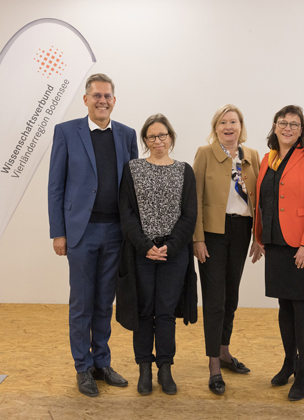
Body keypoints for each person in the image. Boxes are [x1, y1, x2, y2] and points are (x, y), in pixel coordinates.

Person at [47, 73, 138, 397]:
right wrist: (58, 233)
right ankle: (82, 367)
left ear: (114, 100)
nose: (102, 101)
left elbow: (132, 187)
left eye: (107, 96)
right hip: (80, 234)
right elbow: (56, 185)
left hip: (115, 233)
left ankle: (102, 362)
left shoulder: (127, 135)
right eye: (96, 95)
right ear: (86, 99)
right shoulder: (66, 132)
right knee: (82, 303)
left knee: (104, 303)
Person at [116, 113, 197, 396]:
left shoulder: (185, 170)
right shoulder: (133, 169)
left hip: (173, 254)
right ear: (145, 141)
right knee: (143, 311)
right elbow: (125, 213)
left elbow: (190, 215)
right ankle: (144, 368)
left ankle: (165, 366)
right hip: (141, 252)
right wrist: (144, 245)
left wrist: (170, 246)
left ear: (171, 138)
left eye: (163, 135)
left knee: (165, 312)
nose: (158, 140)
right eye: (152, 136)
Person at [253, 105, 304, 401]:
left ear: (302, 130)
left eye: (294, 124)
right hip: (274, 243)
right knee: (284, 306)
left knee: (300, 307)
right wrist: (258, 238)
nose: (287, 128)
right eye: (282, 123)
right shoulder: (267, 159)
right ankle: (289, 361)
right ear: (274, 127)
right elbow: (264, 200)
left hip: (301, 245)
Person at [192, 104, 262, 395]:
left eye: (233, 122)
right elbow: (193, 198)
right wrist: (197, 238)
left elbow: (259, 200)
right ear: (216, 127)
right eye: (223, 122)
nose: (228, 127)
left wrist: (258, 237)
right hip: (212, 232)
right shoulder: (205, 153)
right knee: (214, 299)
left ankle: (224, 351)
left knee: (231, 295)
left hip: (241, 230)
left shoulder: (252, 156)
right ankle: (213, 365)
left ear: (240, 126)